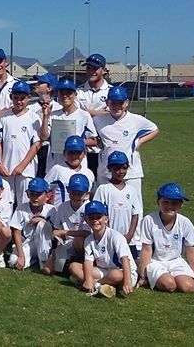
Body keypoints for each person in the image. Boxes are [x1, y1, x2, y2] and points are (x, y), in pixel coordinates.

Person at [94, 85, 159, 215]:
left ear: (126, 103)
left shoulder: (136, 120)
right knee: (105, 206)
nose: (117, 106)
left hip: (131, 172)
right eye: (113, 102)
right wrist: (99, 144)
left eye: (120, 102)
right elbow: (92, 136)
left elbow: (154, 129)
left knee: (135, 207)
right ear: (107, 103)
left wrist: (139, 142)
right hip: (105, 171)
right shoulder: (98, 120)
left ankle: (136, 229)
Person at [138, 183, 194, 293]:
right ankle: (162, 278)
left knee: (189, 287)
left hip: (176, 261)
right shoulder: (149, 220)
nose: (170, 206)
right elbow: (146, 249)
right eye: (165, 202)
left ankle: (173, 277)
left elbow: (191, 251)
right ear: (158, 202)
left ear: (181, 205)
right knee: (169, 285)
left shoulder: (185, 222)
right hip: (156, 261)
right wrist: (142, 276)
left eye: (174, 203)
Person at [69, 201, 137, 298]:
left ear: (106, 219)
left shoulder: (115, 236)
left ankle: (94, 284)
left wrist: (127, 282)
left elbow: (125, 260)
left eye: (98, 217)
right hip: (103, 269)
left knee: (116, 275)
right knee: (74, 267)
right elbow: (88, 262)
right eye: (91, 218)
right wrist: (88, 278)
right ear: (86, 220)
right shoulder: (89, 240)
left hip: (124, 271)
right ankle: (100, 286)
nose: (95, 221)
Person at [0, 80, 41, 205]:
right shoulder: (3, 117)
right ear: (11, 97)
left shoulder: (33, 117)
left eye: (22, 98)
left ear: (28, 98)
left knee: (24, 203)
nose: (19, 102)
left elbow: (36, 144)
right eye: (16, 98)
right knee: (5, 203)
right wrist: (0, 164)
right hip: (6, 168)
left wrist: (22, 165)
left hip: (26, 170)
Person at [38, 77, 97, 172]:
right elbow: (44, 137)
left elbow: (94, 140)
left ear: (75, 94)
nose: (65, 96)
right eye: (62, 93)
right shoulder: (53, 114)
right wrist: (45, 117)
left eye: (69, 93)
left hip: (77, 164)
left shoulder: (83, 115)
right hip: (55, 164)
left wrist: (75, 143)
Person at [91, 151, 140, 252]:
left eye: (124, 168)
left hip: (129, 240)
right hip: (108, 239)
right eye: (117, 168)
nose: (121, 171)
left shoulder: (131, 190)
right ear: (109, 168)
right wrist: (109, 235)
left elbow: (135, 215)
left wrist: (130, 235)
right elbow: (98, 214)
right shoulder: (103, 189)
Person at [44, 173, 91, 276]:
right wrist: (58, 245)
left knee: (78, 241)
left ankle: (81, 262)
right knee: (47, 270)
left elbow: (87, 233)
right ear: (68, 191)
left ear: (86, 194)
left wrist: (64, 232)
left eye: (79, 193)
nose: (75, 196)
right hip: (66, 242)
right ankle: (68, 266)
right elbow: (57, 230)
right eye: (73, 193)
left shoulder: (88, 207)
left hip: (85, 243)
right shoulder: (62, 207)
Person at [8, 177, 55, 271]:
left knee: (42, 225)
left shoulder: (52, 210)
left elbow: (55, 231)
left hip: (45, 245)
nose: (35, 198)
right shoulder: (21, 208)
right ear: (27, 194)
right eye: (32, 194)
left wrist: (42, 220)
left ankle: (44, 261)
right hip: (28, 243)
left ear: (47, 196)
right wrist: (21, 256)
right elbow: (16, 232)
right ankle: (32, 259)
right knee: (13, 262)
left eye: (38, 194)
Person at [77, 53, 111, 176]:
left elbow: (112, 113)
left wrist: (85, 111)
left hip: (104, 148)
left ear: (104, 70)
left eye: (95, 68)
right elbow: (75, 112)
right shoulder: (78, 91)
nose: (91, 71)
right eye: (89, 68)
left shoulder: (111, 91)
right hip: (83, 149)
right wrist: (98, 112)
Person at [43, 135, 95, 206]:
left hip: (82, 211)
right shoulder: (57, 169)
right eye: (71, 152)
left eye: (78, 152)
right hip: (59, 211)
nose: (74, 156)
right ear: (64, 153)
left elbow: (90, 195)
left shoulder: (89, 173)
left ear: (84, 154)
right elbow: (43, 189)